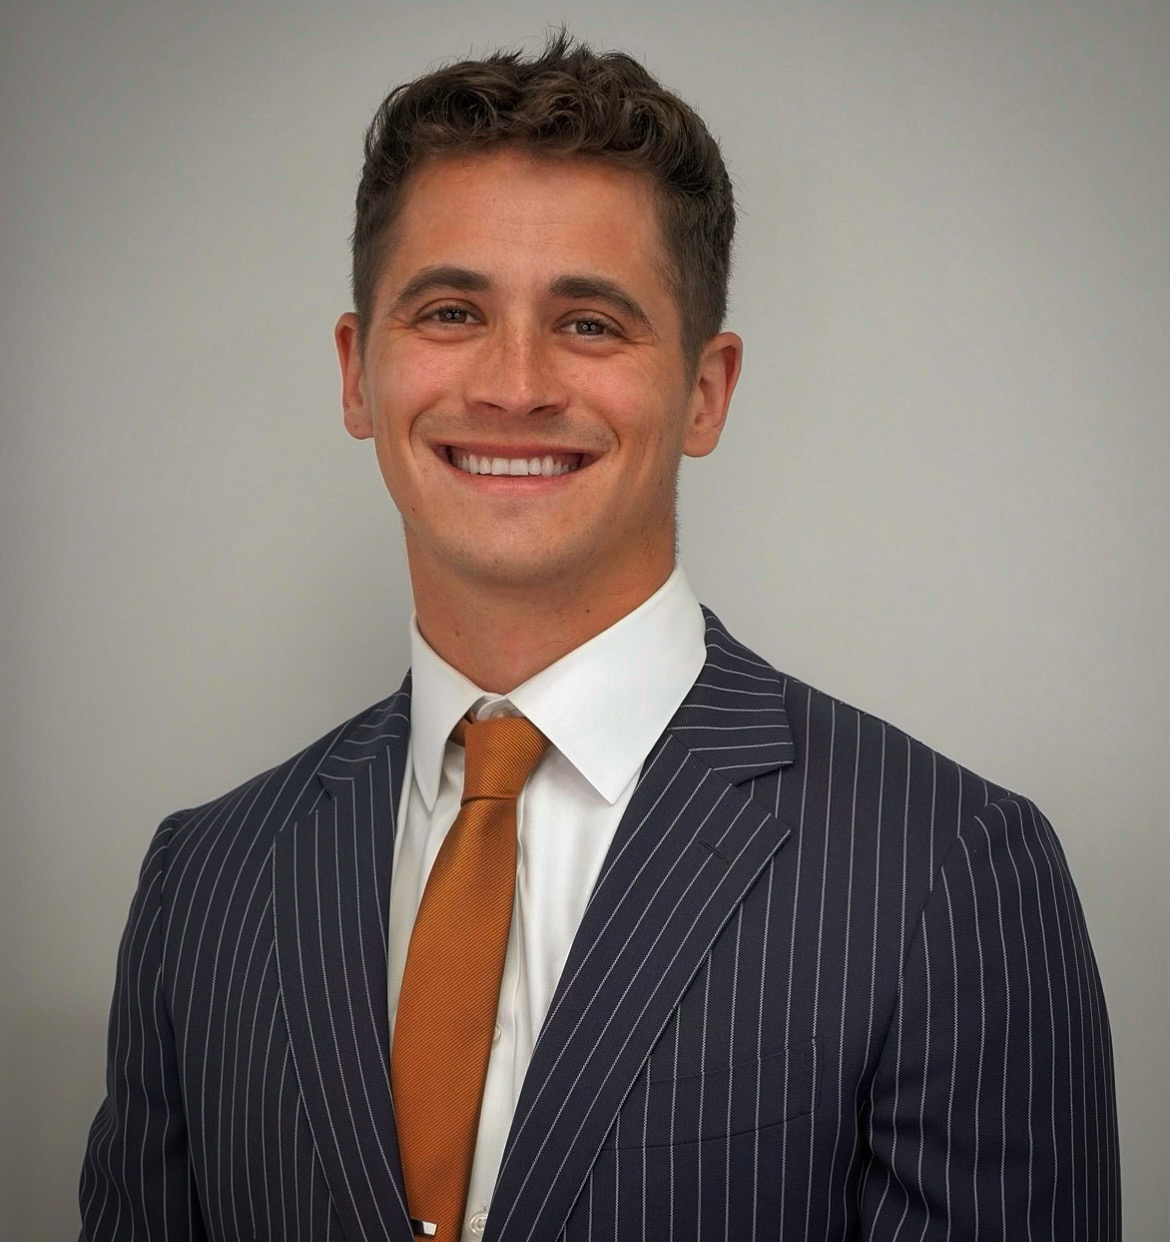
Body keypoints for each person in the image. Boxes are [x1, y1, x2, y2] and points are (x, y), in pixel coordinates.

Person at [78, 31, 1120, 1242]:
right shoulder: (205, 885)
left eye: (589, 324)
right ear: (359, 375)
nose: (514, 384)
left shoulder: (947, 870)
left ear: (706, 392)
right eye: (452, 310)